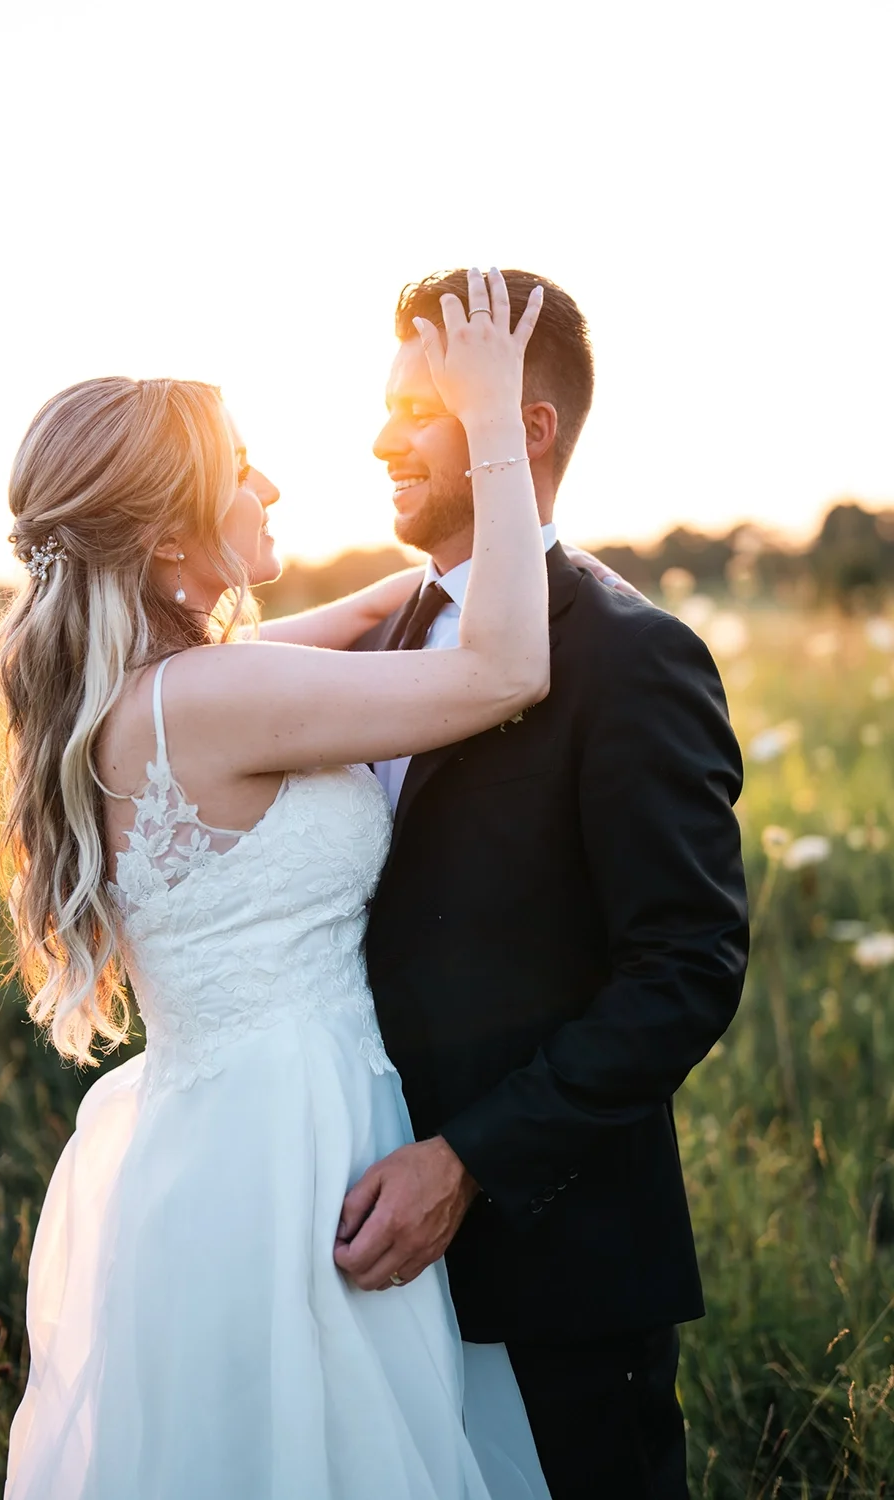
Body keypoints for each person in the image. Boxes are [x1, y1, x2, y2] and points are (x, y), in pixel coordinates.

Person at [0, 270, 562, 1500]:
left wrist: (457, 514)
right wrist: (492, 418)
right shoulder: (214, 697)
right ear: (163, 536)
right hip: (289, 1148)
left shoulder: (149, 691)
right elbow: (503, 664)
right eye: (242, 467)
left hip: (221, 1136)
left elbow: (385, 608)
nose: (272, 486)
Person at [335, 268, 750, 1500]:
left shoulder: (632, 657)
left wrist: (466, 1160)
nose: (379, 438)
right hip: (369, 1249)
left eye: (421, 408)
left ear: (525, 428)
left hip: (558, 1263)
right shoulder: (385, 631)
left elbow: (684, 972)